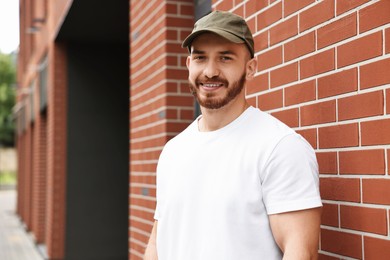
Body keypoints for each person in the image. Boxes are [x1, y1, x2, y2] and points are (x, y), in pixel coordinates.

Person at [144, 11, 322, 260]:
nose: (210, 71)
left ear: (250, 68)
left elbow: (301, 252)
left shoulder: (278, 147)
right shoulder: (173, 151)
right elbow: (158, 241)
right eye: (200, 58)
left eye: (225, 58)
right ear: (188, 65)